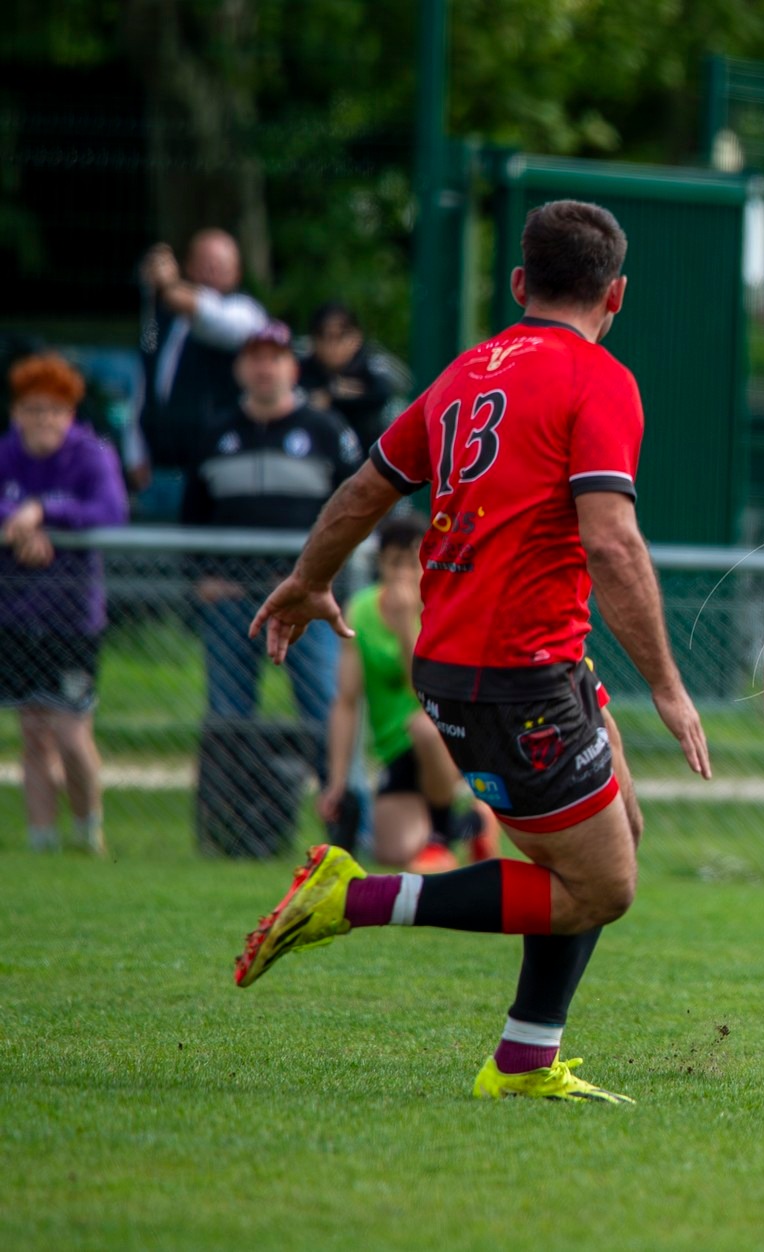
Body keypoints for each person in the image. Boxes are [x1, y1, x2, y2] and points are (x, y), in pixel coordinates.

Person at [233, 199, 712, 1107]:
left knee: (618, 838)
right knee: (601, 887)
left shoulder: (464, 374)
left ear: (521, 284)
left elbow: (363, 492)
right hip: (509, 677)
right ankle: (353, 899)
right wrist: (669, 688)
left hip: (518, 662)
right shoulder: (599, 378)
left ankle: (527, 1057)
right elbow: (613, 543)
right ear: (617, 294)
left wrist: (308, 578)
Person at [181, 320, 362, 766]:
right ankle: (236, 828)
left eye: (275, 358)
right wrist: (201, 578)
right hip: (232, 599)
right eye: (255, 358)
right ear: (240, 368)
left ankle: (345, 820)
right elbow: (191, 519)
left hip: (305, 596)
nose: (265, 368)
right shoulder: (213, 434)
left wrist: (327, 579)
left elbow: (359, 510)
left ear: (292, 368)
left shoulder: (327, 430)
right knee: (229, 720)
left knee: (326, 712)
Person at [318, 512, 501, 872]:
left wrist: (405, 627)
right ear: (381, 564)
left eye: (412, 563)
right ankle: (472, 825)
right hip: (395, 748)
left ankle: (440, 837)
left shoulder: (441, 610)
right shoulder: (362, 611)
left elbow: (427, 693)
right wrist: (337, 781)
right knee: (394, 854)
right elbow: (347, 703)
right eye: (394, 563)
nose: (402, 574)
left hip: (446, 741)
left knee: (424, 726)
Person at [0, 354, 129, 853]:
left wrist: (43, 513)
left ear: (70, 414)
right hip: (15, 616)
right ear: (16, 413)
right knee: (33, 731)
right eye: (33, 410)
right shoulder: (7, 453)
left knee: (71, 732)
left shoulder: (91, 453)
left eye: (54, 410)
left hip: (71, 618)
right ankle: (42, 840)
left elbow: (110, 509)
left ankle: (87, 827)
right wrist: (16, 524)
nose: (43, 420)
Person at [134, 229, 269, 479]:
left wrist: (168, 285)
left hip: (218, 465)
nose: (211, 272)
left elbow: (211, 317)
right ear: (189, 267)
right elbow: (145, 381)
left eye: (220, 265)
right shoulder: (162, 319)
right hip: (160, 469)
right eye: (204, 263)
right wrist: (135, 452)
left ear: (237, 272)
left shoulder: (247, 313)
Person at [299, 301, 402, 448]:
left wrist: (334, 399)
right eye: (325, 337)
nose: (333, 346)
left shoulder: (370, 364)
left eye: (341, 336)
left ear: (357, 337)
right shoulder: (302, 370)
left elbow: (383, 393)